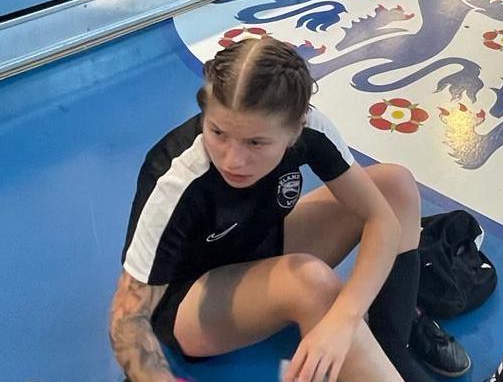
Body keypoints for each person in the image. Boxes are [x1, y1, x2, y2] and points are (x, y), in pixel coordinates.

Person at [108, 35, 439, 382]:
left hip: (257, 243)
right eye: (218, 132)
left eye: (256, 142)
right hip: (189, 302)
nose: (232, 159)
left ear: (297, 129)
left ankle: (388, 348)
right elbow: (127, 319)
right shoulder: (175, 177)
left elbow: (381, 218)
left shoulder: (312, 129)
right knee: (311, 282)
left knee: (395, 186)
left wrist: (344, 320)